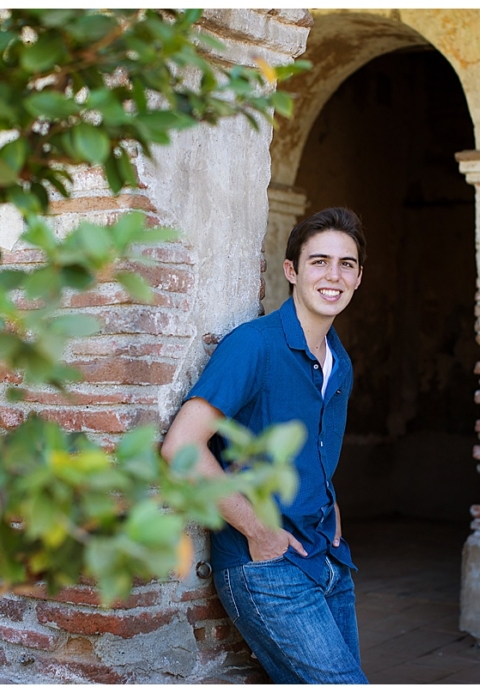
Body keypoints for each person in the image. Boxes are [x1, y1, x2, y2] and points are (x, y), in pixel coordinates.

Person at [161, 207, 369, 684]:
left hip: (329, 559)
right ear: (291, 271)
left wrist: (329, 499)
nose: (332, 276)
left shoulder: (340, 363)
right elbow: (181, 447)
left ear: (359, 277)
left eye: (346, 264)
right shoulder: (254, 345)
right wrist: (258, 530)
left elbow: (314, 449)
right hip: (266, 568)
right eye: (318, 262)